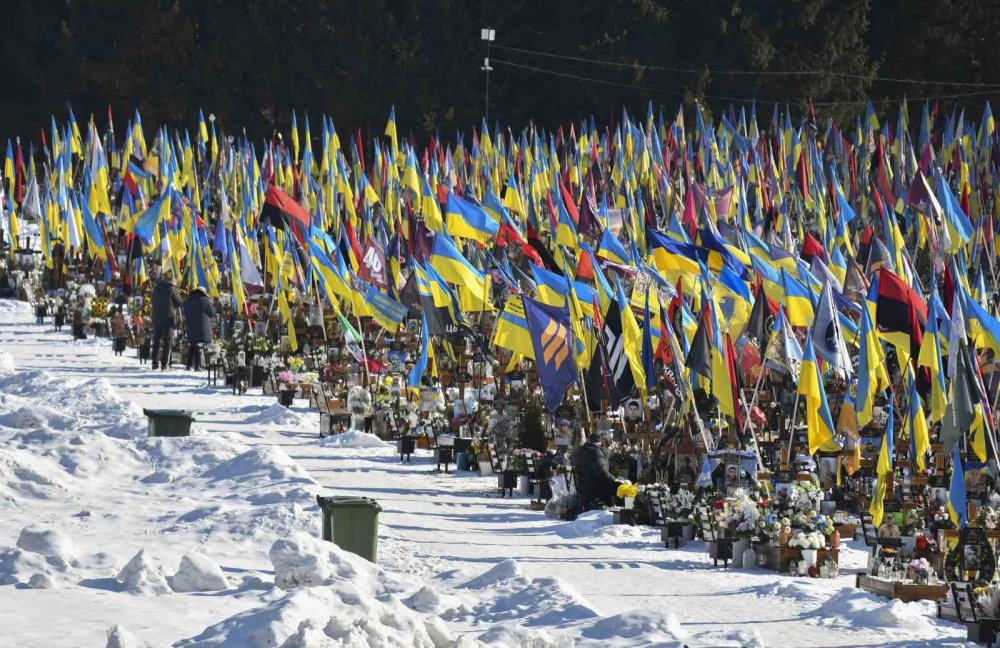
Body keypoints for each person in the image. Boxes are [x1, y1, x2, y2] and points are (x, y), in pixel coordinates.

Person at [572, 433, 620, 511]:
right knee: (618, 487)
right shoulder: (595, 452)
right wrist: (614, 479)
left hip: (582, 486)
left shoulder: (578, 450)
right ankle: (614, 509)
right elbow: (602, 473)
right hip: (593, 487)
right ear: (599, 443)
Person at [151, 273, 182, 370]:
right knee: (167, 342)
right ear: (172, 281)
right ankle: (164, 364)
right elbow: (179, 302)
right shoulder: (172, 289)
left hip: (156, 318)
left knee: (156, 341)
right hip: (168, 319)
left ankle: (154, 363)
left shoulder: (156, 289)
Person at [182, 286, 216, 371]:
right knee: (199, 346)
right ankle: (197, 366)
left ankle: (189, 365)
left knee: (192, 345)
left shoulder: (188, 300)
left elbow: (184, 312)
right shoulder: (205, 301)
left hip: (190, 326)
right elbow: (212, 312)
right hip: (202, 327)